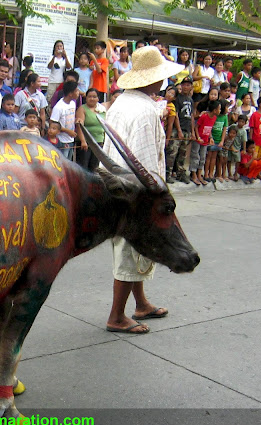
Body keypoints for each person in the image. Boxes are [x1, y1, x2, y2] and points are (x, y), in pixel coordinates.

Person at [104, 46, 182, 334]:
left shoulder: (121, 103)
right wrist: (156, 198)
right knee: (131, 250)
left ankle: (141, 303)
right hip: (136, 191)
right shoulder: (146, 110)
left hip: (116, 184)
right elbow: (146, 158)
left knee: (135, 249)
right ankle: (116, 316)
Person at [167, 76, 193, 183]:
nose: (186, 87)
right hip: (178, 129)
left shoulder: (190, 100)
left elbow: (191, 116)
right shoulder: (178, 98)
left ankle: (180, 173)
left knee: (183, 153)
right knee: (172, 152)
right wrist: (178, 130)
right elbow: (176, 115)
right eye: (184, 84)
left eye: (188, 85)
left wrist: (191, 132)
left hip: (187, 130)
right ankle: (167, 172)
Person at [75, 87, 106, 171]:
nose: (92, 98)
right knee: (83, 167)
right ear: (86, 97)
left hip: (99, 142)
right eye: (89, 96)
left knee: (95, 167)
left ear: (98, 98)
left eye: (94, 96)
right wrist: (83, 141)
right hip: (86, 143)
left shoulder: (102, 109)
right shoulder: (82, 109)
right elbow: (79, 125)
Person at [191, 100, 219, 185]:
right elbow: (196, 127)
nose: (220, 111)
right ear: (214, 110)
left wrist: (211, 137)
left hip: (205, 141)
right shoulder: (204, 117)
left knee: (202, 158)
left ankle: (199, 175)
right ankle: (194, 175)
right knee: (195, 157)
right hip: (198, 140)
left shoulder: (214, 118)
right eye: (219, 109)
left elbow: (209, 128)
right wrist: (198, 137)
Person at [50, 80, 79, 159]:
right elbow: (53, 123)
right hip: (62, 140)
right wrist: (68, 131)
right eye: (76, 91)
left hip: (70, 139)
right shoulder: (59, 107)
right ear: (70, 94)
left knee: (69, 161)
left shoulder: (73, 103)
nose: (78, 93)